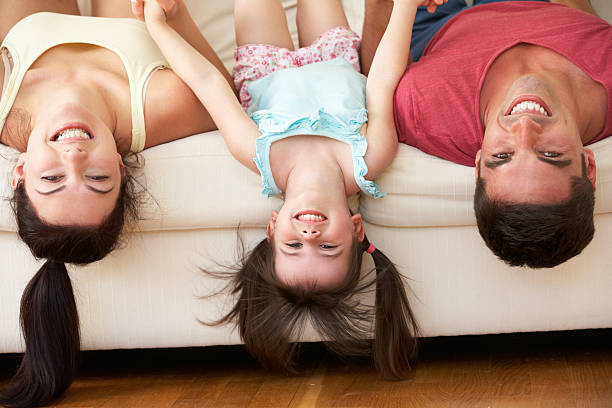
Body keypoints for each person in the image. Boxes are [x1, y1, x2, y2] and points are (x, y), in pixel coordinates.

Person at [137, 0, 448, 379]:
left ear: (273, 227)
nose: (310, 235)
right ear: (355, 230)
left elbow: (207, 83)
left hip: (263, 63)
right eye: (327, 247)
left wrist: (158, 27)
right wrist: (405, 6)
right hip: (333, 55)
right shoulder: (369, 156)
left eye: (294, 246)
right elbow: (383, 78)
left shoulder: (257, 154)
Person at [0, 1, 233, 406]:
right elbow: (221, 91)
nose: (73, 157)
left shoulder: (6, 109)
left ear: (20, 171)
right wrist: (174, 15)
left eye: (52, 179)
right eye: (97, 178)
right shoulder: (165, 107)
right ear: (122, 171)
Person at [362, 0, 611, 268]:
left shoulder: (430, 111)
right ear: (588, 165)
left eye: (503, 155)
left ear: (479, 163)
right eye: (550, 153)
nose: (524, 127)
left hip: (439, 27)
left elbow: (378, 69)